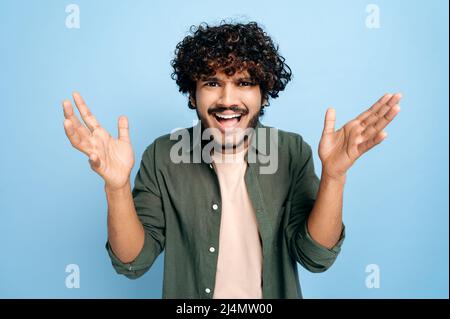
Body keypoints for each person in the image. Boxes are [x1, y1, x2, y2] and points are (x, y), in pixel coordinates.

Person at [62, 21, 401, 299]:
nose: (228, 100)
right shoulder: (163, 156)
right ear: (192, 94)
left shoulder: (291, 151)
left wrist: (335, 176)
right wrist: (116, 187)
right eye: (212, 83)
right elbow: (132, 262)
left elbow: (315, 257)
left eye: (244, 83)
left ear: (263, 94)